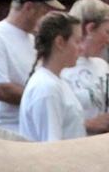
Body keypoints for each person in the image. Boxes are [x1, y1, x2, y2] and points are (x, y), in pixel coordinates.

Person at [0, 0, 68, 133]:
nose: (45, 19)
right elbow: (0, 90)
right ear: (28, 8)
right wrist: (44, 97)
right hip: (7, 131)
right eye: (43, 13)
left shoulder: (32, 40)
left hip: (33, 128)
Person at [20, 11, 88, 139]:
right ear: (60, 42)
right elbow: (51, 146)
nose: (81, 48)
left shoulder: (56, 82)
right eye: (77, 41)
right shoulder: (47, 88)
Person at [61, 0, 109, 132]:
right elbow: (53, 120)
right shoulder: (60, 67)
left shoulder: (102, 66)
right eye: (107, 31)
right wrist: (87, 124)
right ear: (90, 28)